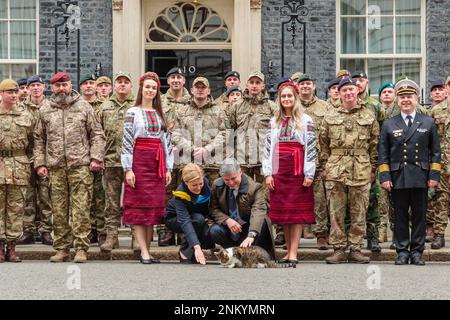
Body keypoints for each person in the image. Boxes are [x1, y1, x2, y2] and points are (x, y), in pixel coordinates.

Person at [33, 71, 105, 263]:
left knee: (81, 208)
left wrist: (95, 158)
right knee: (59, 209)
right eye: (58, 85)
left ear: (70, 84)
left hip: (80, 166)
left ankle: (81, 248)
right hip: (55, 167)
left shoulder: (84, 106)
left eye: (65, 84)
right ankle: (62, 248)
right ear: (52, 87)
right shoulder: (45, 109)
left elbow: (97, 134)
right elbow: (39, 139)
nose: (62, 88)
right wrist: (40, 163)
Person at [378, 79, 441, 265]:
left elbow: (435, 152)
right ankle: (402, 251)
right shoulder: (389, 124)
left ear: (416, 99)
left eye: (410, 97)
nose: (406, 100)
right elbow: (383, 153)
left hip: (421, 176)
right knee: (400, 216)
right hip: (398, 176)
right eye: (403, 97)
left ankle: (417, 251)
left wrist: (434, 175)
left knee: (420, 215)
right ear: (398, 100)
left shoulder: (428, 122)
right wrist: (385, 175)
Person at [319, 77, 379, 264]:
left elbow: (375, 144)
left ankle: (355, 248)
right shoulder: (329, 115)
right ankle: (338, 249)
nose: (348, 93)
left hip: (360, 168)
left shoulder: (368, 115)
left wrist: (372, 168)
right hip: (335, 169)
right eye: (344, 90)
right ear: (340, 93)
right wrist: (325, 167)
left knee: (359, 211)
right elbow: (322, 144)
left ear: (357, 91)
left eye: (351, 90)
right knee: (336, 212)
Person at [121, 72, 173, 264]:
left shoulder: (161, 114)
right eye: (147, 87)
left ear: (157, 91)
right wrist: (128, 169)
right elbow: (126, 142)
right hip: (139, 162)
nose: (150, 90)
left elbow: (167, 142)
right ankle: (143, 251)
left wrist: (168, 168)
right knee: (139, 208)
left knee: (152, 210)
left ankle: (149, 251)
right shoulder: (132, 112)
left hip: (156, 164)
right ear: (141, 89)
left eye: (154, 88)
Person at [262, 82, 316, 262]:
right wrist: (268, 173)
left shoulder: (306, 120)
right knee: (284, 213)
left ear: (296, 98)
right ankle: (287, 250)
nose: (286, 99)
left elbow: (310, 147)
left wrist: (309, 173)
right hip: (279, 169)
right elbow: (268, 148)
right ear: (279, 99)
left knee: (296, 212)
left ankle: (294, 251)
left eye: (289, 96)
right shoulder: (273, 121)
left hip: (297, 168)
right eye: (283, 96)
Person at [97, 71, 135, 252]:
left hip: (134, 163)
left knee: (133, 200)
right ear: (114, 85)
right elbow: (97, 134)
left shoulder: (138, 105)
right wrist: (98, 156)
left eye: (125, 82)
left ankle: (136, 235)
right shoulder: (104, 106)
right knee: (111, 201)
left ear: (131, 86)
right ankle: (111, 236)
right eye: (119, 82)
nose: (122, 85)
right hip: (111, 160)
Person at [210, 158, 275, 259]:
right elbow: (213, 209)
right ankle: (233, 253)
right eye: (226, 180)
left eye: (233, 178)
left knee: (263, 222)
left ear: (240, 172)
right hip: (230, 228)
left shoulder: (255, 188)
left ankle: (250, 252)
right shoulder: (217, 185)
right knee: (214, 231)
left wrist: (251, 235)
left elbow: (258, 211)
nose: (230, 183)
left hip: (248, 227)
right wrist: (227, 220)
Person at [0, 79, 34, 262]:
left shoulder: (25, 115)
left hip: (18, 165)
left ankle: (11, 247)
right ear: (2, 94)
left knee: (16, 209)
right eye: (9, 92)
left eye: (15, 92)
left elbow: (33, 142)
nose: (13, 95)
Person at [171, 76, 228, 183]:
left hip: (212, 165)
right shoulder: (181, 111)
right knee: (187, 197)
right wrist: (192, 150)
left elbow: (225, 133)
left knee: (212, 198)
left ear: (209, 91)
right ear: (192, 90)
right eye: (197, 87)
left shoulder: (219, 111)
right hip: (187, 164)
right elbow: (175, 134)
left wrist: (207, 149)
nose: (200, 90)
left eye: (203, 87)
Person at [18, 75, 53, 246]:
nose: (36, 88)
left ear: (44, 87)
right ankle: (28, 230)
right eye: (32, 86)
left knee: (46, 195)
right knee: (28, 196)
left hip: (47, 156)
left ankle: (46, 230)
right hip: (25, 156)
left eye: (38, 85)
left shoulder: (51, 106)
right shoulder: (21, 107)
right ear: (28, 88)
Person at [351, 71, 384, 252]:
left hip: (369, 159)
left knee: (372, 198)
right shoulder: (345, 104)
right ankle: (352, 239)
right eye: (355, 80)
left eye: (361, 80)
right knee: (351, 202)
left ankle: (373, 238)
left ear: (367, 82)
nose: (358, 83)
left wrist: (376, 163)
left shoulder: (375, 106)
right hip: (349, 161)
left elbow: (382, 132)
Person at [158, 67, 191, 247]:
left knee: (185, 193)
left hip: (186, 154)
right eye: (172, 77)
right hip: (165, 152)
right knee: (166, 193)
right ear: (168, 81)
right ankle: (166, 231)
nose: (176, 80)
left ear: (184, 81)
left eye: (179, 77)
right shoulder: (160, 101)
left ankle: (184, 231)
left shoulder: (191, 101)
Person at [296, 74, 329, 246]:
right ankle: (288, 233)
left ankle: (321, 233)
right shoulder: (291, 106)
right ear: (297, 87)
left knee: (319, 198)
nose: (305, 87)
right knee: (294, 197)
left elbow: (329, 134)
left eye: (308, 83)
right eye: (302, 84)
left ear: (314, 86)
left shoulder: (325, 106)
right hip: (295, 159)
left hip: (318, 158)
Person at [164, 163, 214, 264]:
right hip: (174, 219)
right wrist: (196, 247)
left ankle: (193, 252)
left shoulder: (205, 183)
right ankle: (185, 251)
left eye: (200, 183)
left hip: (196, 215)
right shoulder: (180, 193)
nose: (199, 188)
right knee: (198, 219)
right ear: (186, 182)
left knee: (206, 229)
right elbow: (185, 221)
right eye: (194, 185)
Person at [80, 73, 105, 244]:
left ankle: (100, 230)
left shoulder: (104, 106)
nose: (89, 86)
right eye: (85, 83)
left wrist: (100, 156)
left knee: (100, 195)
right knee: (84, 196)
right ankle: (88, 230)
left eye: (91, 83)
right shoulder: (76, 105)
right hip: (80, 156)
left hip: (100, 157)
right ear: (80, 87)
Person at [427, 76, 450, 249]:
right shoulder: (436, 111)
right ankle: (439, 234)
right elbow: (429, 139)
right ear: (446, 88)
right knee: (441, 198)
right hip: (442, 161)